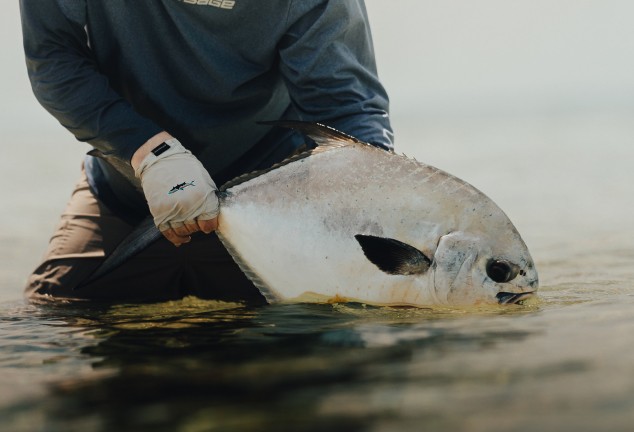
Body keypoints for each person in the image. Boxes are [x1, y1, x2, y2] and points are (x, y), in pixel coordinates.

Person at [19, 0, 393, 304]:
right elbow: (53, 58)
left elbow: (344, 106)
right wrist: (150, 153)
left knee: (317, 359)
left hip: (273, 209)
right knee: (55, 315)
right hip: (122, 192)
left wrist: (380, 200)